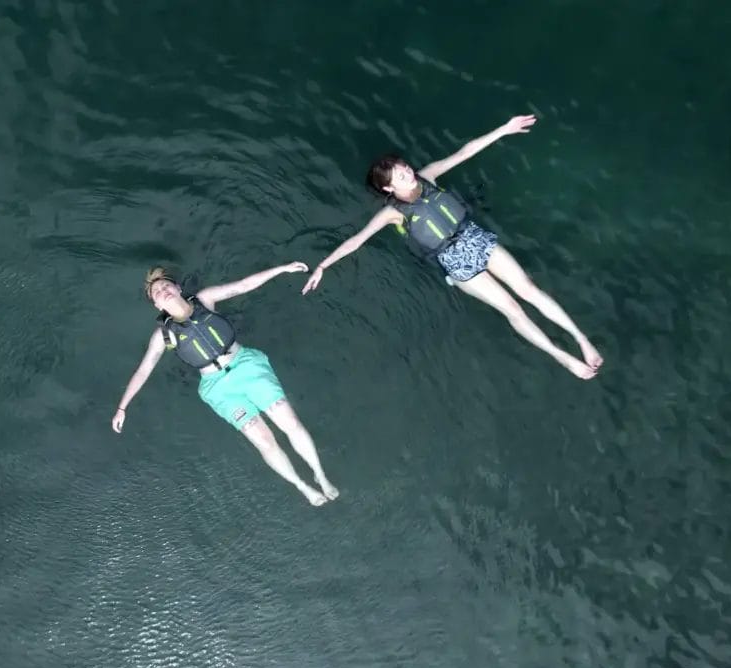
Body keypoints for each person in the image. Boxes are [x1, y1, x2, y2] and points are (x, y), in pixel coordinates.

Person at [301, 114, 604, 379]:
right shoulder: (392, 213)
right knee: (512, 308)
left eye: (404, 167)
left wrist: (504, 129)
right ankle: (562, 357)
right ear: (389, 188)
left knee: (528, 288)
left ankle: (581, 339)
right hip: (454, 261)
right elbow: (357, 240)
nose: (407, 172)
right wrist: (324, 265)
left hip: (473, 237)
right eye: (400, 175)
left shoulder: (428, 176)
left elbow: (464, 152)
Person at [112, 263, 340, 506]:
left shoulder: (204, 299)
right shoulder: (163, 336)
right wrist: (122, 407)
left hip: (247, 366)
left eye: (166, 285)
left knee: (290, 423)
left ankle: (320, 474)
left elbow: (243, 285)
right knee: (264, 440)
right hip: (218, 389)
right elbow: (143, 370)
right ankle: (302, 486)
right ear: (157, 305)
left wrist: (282, 269)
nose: (163, 291)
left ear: (177, 288)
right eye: (157, 292)